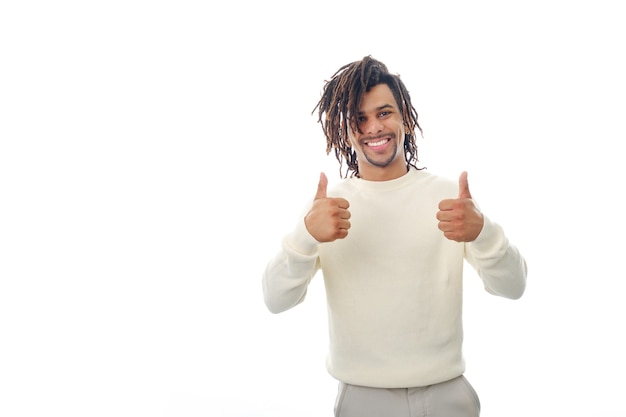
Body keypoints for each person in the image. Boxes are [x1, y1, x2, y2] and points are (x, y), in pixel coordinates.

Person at [262, 56, 527, 417]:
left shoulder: (450, 197)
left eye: (384, 113)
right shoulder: (327, 208)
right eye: (360, 118)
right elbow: (276, 299)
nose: (373, 127)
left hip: (447, 396)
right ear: (345, 128)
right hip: (363, 400)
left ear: (404, 114)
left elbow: (513, 286)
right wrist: (305, 236)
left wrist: (483, 233)